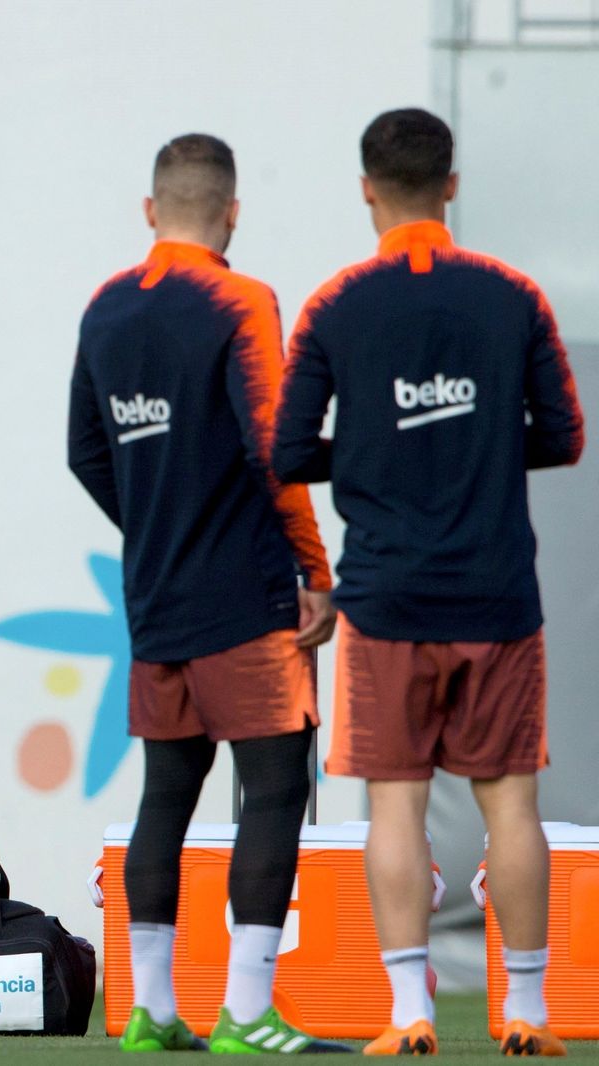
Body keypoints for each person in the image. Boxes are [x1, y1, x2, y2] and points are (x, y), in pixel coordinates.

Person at [275, 108, 584, 1057]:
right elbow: (564, 436)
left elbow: (286, 450)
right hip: (498, 597)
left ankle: (410, 1012)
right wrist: (476, 443)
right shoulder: (514, 295)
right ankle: (526, 1012)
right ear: (450, 185)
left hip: (386, 600)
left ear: (367, 189)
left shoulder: (334, 306)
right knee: (512, 806)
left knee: (397, 807)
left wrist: (380, 448)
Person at [69, 134, 346, 1054]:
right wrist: (314, 570)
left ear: (151, 211)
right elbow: (274, 443)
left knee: (166, 795)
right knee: (274, 791)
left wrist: (154, 520)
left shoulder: (106, 307)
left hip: (156, 593)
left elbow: (84, 451)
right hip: (245, 593)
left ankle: (151, 1012)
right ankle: (247, 1012)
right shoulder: (242, 299)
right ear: (232, 213)